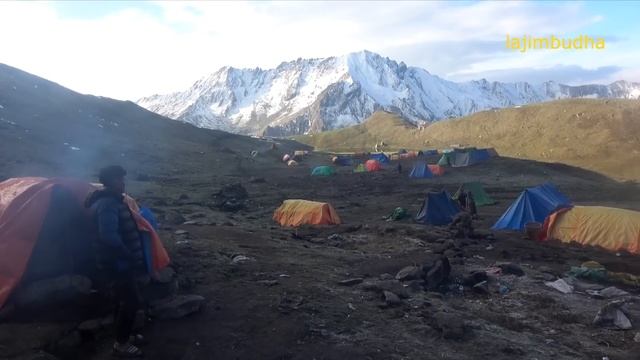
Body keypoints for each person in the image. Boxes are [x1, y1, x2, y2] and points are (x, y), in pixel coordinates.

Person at [85, 165, 145, 358]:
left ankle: (124, 336)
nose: (122, 182)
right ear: (110, 181)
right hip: (117, 263)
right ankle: (121, 344)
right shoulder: (108, 204)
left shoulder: (109, 201)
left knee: (124, 301)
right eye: (119, 179)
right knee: (130, 301)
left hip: (118, 261)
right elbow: (108, 236)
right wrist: (126, 254)